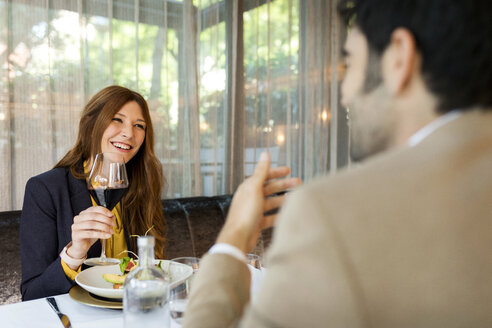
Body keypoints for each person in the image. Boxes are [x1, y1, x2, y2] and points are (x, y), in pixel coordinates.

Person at [184, 0, 492, 326]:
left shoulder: (331, 216)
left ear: (399, 56)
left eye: (350, 64)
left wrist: (233, 237)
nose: (344, 95)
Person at [20, 85, 166, 301]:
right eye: (117, 119)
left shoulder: (142, 188)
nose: (128, 133)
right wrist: (75, 253)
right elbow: (32, 295)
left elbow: (152, 271)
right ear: (91, 124)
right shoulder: (45, 189)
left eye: (139, 125)